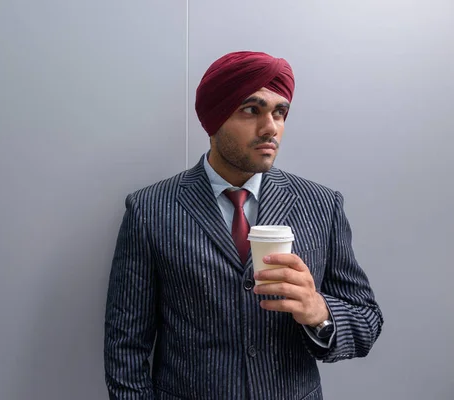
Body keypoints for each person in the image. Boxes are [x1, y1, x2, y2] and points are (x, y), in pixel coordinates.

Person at [104, 51, 383, 400]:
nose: (271, 128)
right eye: (252, 110)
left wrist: (318, 312)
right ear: (215, 118)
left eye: (280, 112)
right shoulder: (151, 209)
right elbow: (125, 347)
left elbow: (367, 322)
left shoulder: (322, 205)